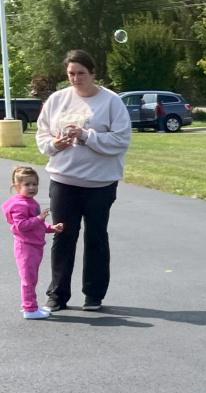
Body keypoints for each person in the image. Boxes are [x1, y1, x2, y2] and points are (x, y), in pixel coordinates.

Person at [34, 48, 131, 312]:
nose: (76, 79)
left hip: (100, 184)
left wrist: (87, 136)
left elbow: (121, 140)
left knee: (96, 237)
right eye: (71, 74)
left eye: (81, 73)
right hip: (64, 180)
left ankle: (94, 293)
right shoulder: (57, 100)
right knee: (63, 236)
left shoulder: (111, 102)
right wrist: (56, 143)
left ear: (93, 73)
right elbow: (42, 136)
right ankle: (57, 294)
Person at [4, 165, 64, 319]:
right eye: (27, 184)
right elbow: (21, 226)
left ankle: (32, 306)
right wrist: (39, 218)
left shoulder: (30, 201)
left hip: (34, 246)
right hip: (26, 247)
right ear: (16, 186)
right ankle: (30, 309)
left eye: (34, 184)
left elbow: (37, 226)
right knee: (28, 279)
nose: (32, 187)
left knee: (32, 278)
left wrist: (51, 227)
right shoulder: (20, 205)